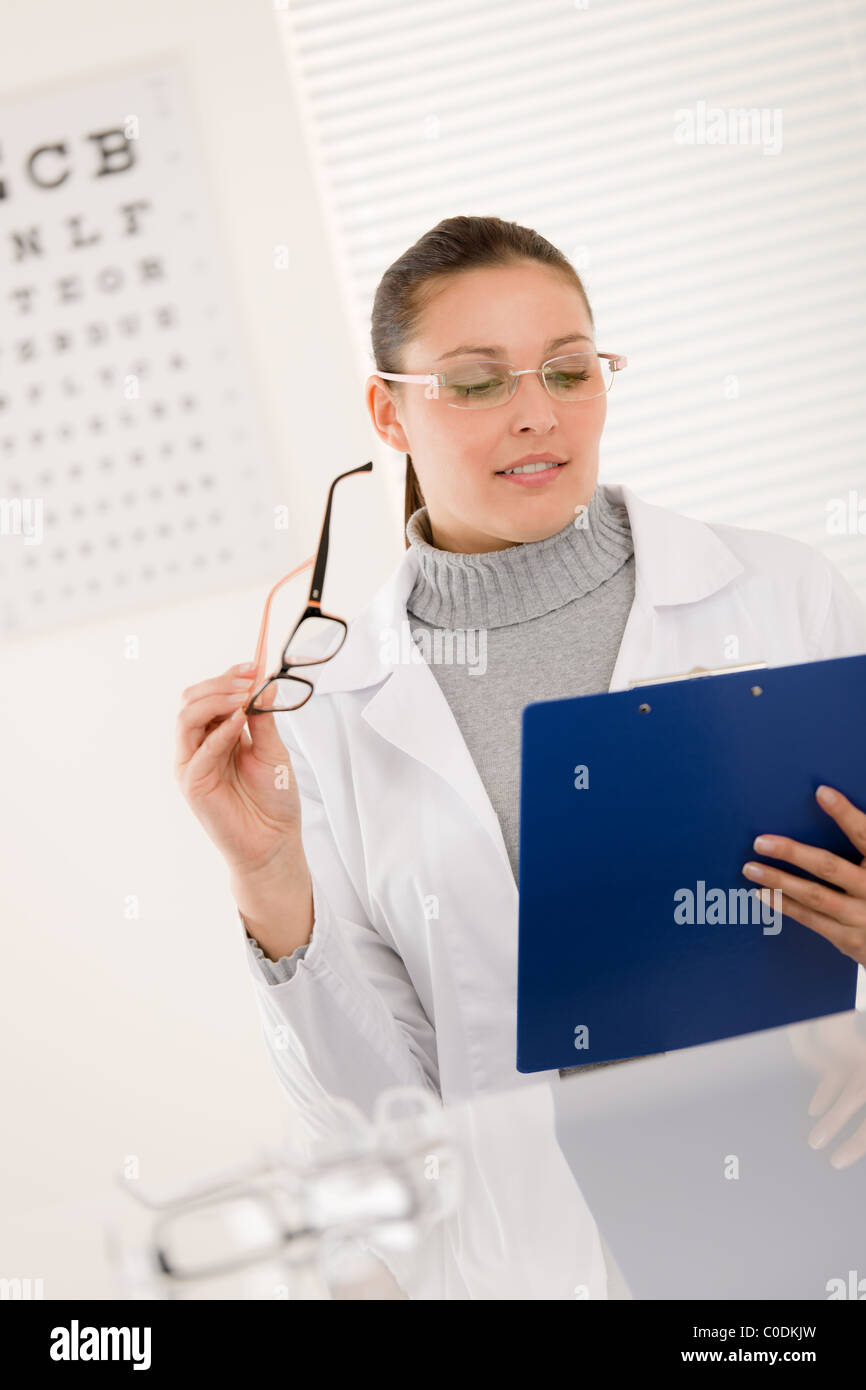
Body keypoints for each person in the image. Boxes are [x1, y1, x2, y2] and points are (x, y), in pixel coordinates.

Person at [175, 215, 866, 1295]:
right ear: (386, 410)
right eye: (476, 381)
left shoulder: (780, 597)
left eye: (567, 369)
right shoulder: (326, 714)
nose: (536, 413)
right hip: (544, 1260)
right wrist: (266, 880)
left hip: (809, 1207)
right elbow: (374, 1125)